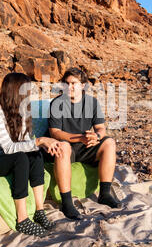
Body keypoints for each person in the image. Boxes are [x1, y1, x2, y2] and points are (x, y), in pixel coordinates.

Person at [0, 73, 63, 237]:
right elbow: (9, 148)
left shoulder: (21, 110)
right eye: (27, 91)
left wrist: (42, 145)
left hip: (0, 158)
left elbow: (24, 143)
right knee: (20, 158)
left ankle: (39, 210)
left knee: (34, 154)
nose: (30, 95)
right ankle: (22, 219)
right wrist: (40, 140)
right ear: (16, 92)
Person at [44, 68, 121, 220]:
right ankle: (67, 202)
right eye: (66, 84)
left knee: (109, 143)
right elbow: (55, 133)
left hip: (85, 146)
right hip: (68, 147)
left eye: (74, 83)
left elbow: (100, 128)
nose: (69, 87)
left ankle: (104, 194)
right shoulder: (57, 103)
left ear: (83, 86)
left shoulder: (92, 102)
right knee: (63, 146)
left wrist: (96, 136)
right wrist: (80, 138)